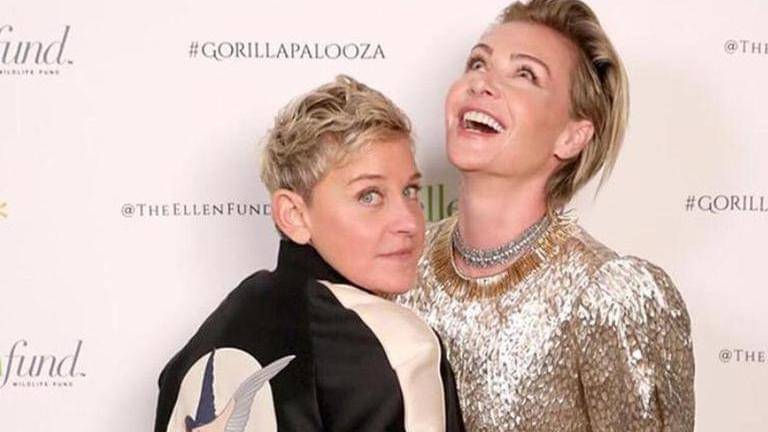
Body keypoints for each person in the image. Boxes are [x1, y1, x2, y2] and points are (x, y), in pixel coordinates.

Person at [397, 1, 695, 431]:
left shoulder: (609, 297)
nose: (482, 82)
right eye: (478, 63)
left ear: (572, 136)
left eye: (525, 74)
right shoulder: (397, 262)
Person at [154, 75, 465, 432]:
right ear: (294, 216)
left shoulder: (195, 353)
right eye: (369, 196)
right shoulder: (399, 346)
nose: (409, 221)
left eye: (410, 191)